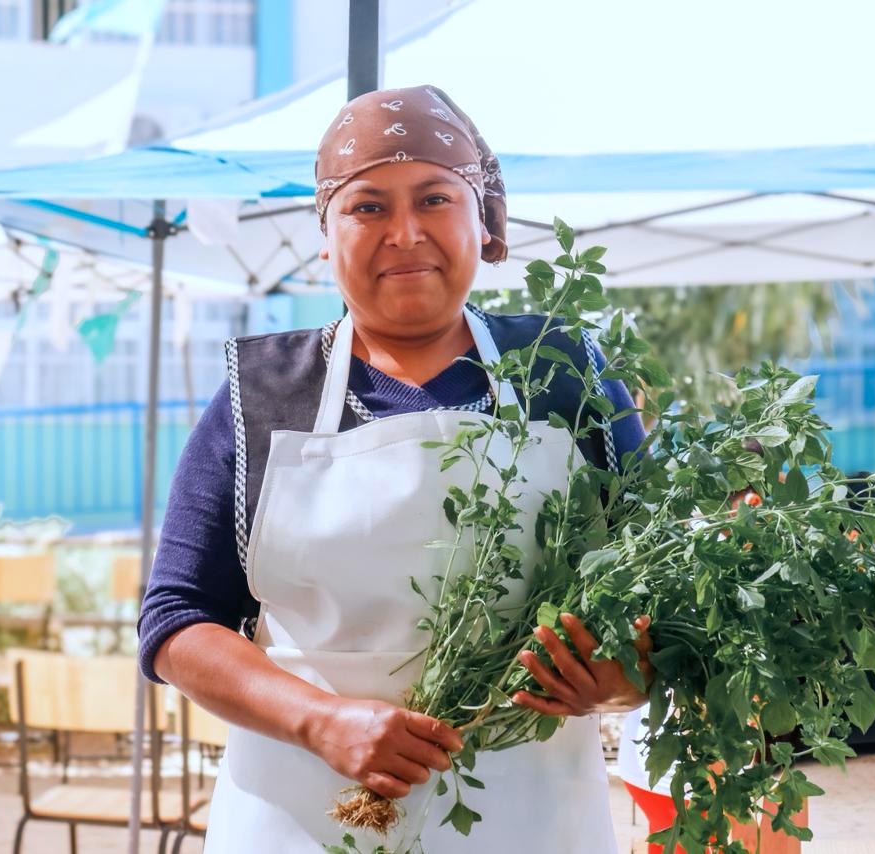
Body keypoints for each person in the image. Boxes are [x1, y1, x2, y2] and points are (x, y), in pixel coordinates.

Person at [139, 84, 652, 853]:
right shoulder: (260, 397)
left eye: (435, 198)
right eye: (367, 207)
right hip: (300, 817)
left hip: (529, 820)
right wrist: (319, 720)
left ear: (484, 220)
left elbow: (658, 596)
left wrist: (623, 676)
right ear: (326, 234)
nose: (404, 232)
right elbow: (176, 621)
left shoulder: (569, 375)